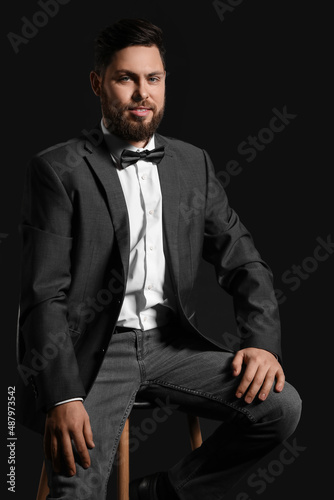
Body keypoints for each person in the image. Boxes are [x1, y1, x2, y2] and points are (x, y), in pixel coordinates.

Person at [16, 18, 302, 500]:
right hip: (96, 353)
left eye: (154, 78)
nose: (141, 93)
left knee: (280, 408)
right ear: (98, 84)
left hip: (173, 345)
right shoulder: (58, 169)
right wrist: (63, 395)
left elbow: (245, 261)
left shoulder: (194, 164)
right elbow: (44, 295)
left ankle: (167, 492)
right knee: (75, 494)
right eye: (126, 78)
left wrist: (262, 344)